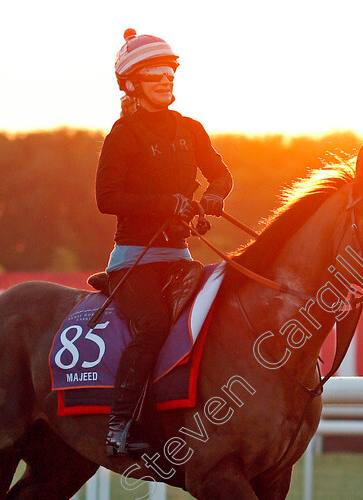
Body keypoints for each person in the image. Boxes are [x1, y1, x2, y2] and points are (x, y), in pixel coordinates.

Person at [96, 28, 233, 457]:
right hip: (133, 262)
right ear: (132, 82)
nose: (166, 78)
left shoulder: (191, 129)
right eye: (155, 71)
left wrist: (214, 196)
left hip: (180, 258)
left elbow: (222, 175)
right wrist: (167, 203)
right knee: (154, 325)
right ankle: (119, 426)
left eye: (170, 70)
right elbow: (107, 200)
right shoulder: (123, 133)